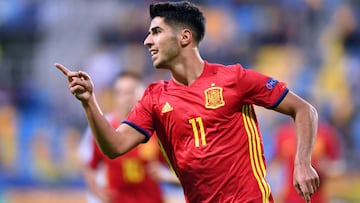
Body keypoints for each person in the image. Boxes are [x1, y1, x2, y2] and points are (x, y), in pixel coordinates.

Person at [55, 1, 320, 202]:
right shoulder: (154, 98)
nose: (147, 41)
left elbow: (303, 110)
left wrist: (302, 162)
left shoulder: (235, 79)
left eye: (156, 32)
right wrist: (89, 102)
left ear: (184, 37)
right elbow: (114, 146)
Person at [77, 72, 163, 203]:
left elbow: (176, 167)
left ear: (142, 94)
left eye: (131, 92)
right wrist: (96, 191)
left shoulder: (157, 131)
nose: (126, 98)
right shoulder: (104, 131)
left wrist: (167, 176)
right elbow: (90, 165)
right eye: (120, 93)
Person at [270, 121, 344, 203]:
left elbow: (338, 168)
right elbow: (275, 165)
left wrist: (326, 167)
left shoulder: (325, 133)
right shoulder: (283, 134)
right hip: (290, 199)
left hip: (317, 199)